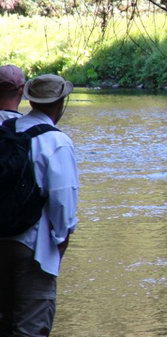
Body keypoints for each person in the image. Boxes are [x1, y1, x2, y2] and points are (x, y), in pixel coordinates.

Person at [0, 74, 79, 336]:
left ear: (30, 99)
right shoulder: (56, 141)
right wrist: (59, 245)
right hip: (34, 248)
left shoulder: (5, 131)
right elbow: (63, 204)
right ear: (60, 104)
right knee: (31, 327)